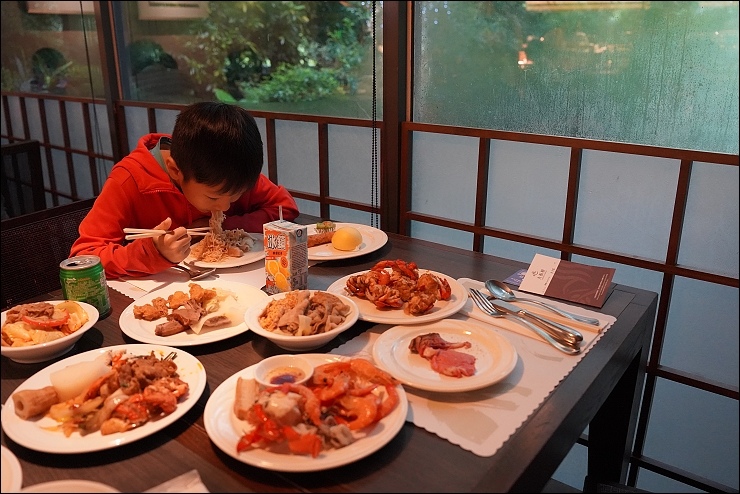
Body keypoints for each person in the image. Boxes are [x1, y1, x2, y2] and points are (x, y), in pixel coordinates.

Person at [70, 102, 299, 279]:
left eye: (236, 196)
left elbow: (284, 207)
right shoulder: (129, 181)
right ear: (174, 169)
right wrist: (154, 252)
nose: (224, 206)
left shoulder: (228, 171)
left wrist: (224, 228)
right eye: (214, 197)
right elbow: (83, 257)